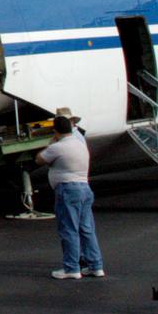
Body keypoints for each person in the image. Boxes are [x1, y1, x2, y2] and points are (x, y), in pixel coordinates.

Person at [35, 112, 104, 280]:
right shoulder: (80, 144)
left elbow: (39, 159)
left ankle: (71, 267)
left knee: (69, 229)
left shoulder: (58, 146)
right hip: (84, 187)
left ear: (55, 131)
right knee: (87, 229)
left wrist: (51, 143)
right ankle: (95, 265)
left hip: (68, 189)